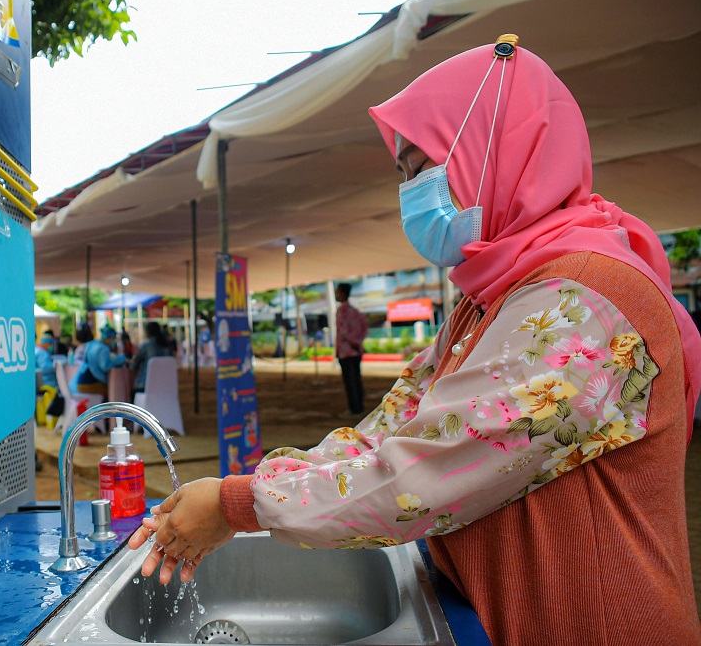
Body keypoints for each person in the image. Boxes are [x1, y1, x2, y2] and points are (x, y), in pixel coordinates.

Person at [129, 36, 701, 645]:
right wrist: (243, 492)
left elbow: (425, 470)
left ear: (493, 150)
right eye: (402, 175)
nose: (409, 194)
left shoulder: (586, 297)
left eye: (420, 169)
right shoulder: (491, 300)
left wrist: (237, 503)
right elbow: (386, 432)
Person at [334, 282, 368, 418]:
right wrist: (358, 343)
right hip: (356, 351)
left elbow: (343, 331)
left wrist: (353, 343)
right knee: (357, 379)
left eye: (338, 291)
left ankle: (354, 409)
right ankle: (359, 406)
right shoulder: (355, 312)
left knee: (350, 381)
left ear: (342, 293)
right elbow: (364, 328)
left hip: (346, 351)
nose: (336, 294)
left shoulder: (342, 311)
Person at [70, 324, 127, 397]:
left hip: (81, 382)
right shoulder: (103, 348)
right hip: (90, 383)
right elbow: (105, 366)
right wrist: (122, 359)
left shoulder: (92, 344)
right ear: (108, 338)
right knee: (113, 390)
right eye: (113, 338)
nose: (113, 341)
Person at [131, 321, 173, 394]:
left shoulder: (146, 347)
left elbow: (133, 366)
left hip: (145, 386)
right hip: (165, 388)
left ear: (148, 332)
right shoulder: (168, 347)